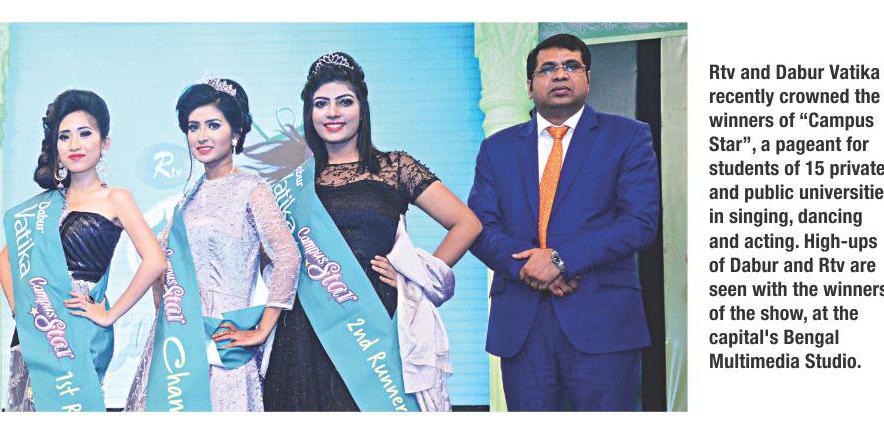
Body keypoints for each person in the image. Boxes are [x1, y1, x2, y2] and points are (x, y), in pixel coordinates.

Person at [262, 52, 481, 411]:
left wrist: (415, 274)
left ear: (362, 109)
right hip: (306, 328)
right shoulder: (295, 185)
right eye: (321, 104)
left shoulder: (395, 167)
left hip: (375, 320)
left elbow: (467, 224)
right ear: (309, 113)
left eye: (344, 101)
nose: (333, 112)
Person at [468, 33, 660, 411]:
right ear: (529, 85)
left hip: (602, 320)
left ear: (587, 79)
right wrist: (529, 268)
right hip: (522, 323)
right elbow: (479, 226)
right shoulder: (497, 148)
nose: (560, 75)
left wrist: (560, 260)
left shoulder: (628, 137)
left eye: (571, 66)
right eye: (547, 69)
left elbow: (640, 222)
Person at [123, 78, 301, 412]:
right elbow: (159, 262)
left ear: (236, 132)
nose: (201, 136)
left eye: (213, 125)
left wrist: (262, 329)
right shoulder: (188, 198)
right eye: (193, 127)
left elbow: (288, 256)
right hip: (178, 338)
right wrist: (164, 313)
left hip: (222, 343)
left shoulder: (251, 188)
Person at [0, 89, 166, 412]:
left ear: (105, 143)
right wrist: (23, 310)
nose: (74, 144)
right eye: (65, 136)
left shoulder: (116, 198)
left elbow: (155, 261)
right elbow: (5, 259)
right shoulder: (44, 205)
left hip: (81, 329)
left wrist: (110, 314)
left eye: (85, 134)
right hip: (37, 329)